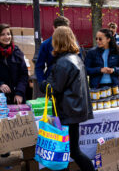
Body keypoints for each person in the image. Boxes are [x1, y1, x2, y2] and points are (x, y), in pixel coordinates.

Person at [39, 26, 94, 171]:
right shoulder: (75, 58)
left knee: (66, 151)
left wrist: (42, 84)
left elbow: (52, 89)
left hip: (67, 113)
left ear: (57, 41)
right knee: (71, 150)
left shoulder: (63, 62)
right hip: (73, 111)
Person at [35, 16, 70, 85]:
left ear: (53, 27)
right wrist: (42, 83)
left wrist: (42, 82)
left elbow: (39, 67)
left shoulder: (46, 44)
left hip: (54, 82)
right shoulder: (74, 44)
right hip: (66, 83)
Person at [0, 24, 28, 105]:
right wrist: (0, 84)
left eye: (8, 34)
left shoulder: (16, 51)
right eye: (2, 34)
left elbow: (24, 74)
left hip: (16, 98)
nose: (6, 37)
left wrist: (19, 92)